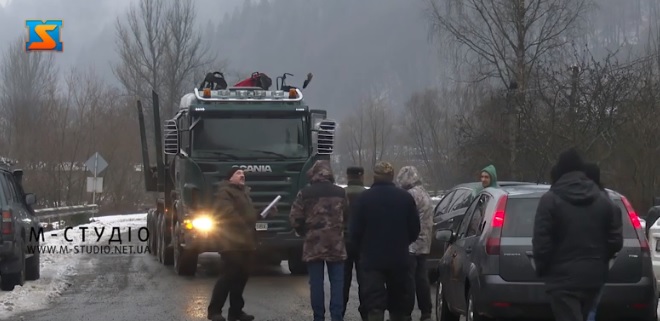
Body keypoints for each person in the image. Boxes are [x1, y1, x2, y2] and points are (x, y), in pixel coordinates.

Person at [532, 148, 623, 321]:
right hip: (594, 277)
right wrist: (600, 259)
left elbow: (541, 243)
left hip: (561, 279)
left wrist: (543, 268)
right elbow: (616, 240)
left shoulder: (549, 200)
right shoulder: (603, 200)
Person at [350, 161, 420, 321]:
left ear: (374, 176)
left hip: (371, 259)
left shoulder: (363, 199)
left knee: (374, 303)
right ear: (392, 176)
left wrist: (362, 249)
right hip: (399, 258)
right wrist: (402, 243)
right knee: (398, 304)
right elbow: (415, 229)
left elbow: (354, 231)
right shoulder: (405, 198)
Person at [290, 160, 348, 321]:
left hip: (313, 244)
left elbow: (295, 218)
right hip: (336, 244)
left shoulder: (305, 193)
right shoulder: (340, 193)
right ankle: (337, 317)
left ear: (313, 173)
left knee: (316, 284)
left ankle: (318, 317)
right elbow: (348, 215)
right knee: (337, 283)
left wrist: (303, 232)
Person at [207, 168, 258, 321]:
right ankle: (214, 311)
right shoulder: (225, 193)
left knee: (242, 277)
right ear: (230, 178)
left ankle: (236, 311)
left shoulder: (244, 193)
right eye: (238, 173)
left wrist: (262, 213)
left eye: (243, 174)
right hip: (231, 242)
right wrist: (246, 222)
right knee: (228, 277)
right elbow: (228, 213)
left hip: (246, 242)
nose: (242, 175)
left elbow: (249, 215)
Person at [395, 166, 434, 321]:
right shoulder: (424, 193)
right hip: (424, 243)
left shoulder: (410, 195)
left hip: (411, 244)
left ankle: (406, 312)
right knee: (422, 279)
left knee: (408, 280)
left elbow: (404, 218)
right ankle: (426, 311)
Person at [342, 166, 368, 321]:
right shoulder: (367, 195)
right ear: (361, 176)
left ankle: (340, 311)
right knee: (364, 280)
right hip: (363, 242)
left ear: (347, 176)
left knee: (343, 280)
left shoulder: (342, 194)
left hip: (344, 240)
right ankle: (365, 312)